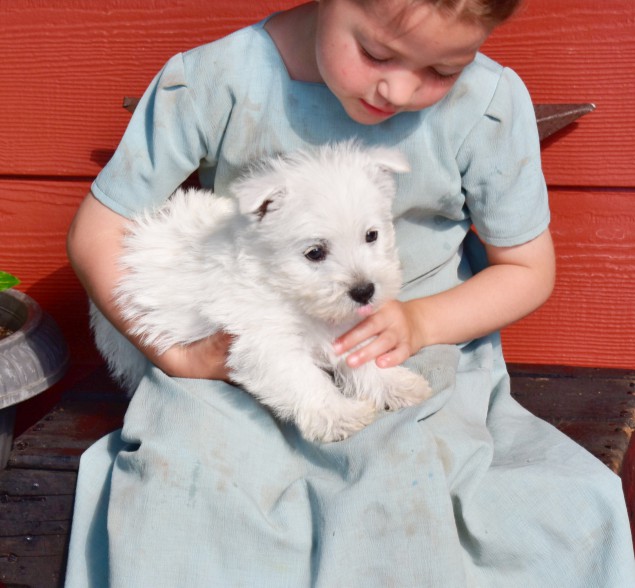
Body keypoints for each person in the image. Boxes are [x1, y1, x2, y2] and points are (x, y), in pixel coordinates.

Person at [65, 0, 635, 586]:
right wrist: (173, 355)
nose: (400, 90)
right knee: (189, 486)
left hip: (416, 337)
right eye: (376, 53)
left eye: (445, 70)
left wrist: (420, 322)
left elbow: (527, 268)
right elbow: (98, 232)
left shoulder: (489, 105)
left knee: (410, 487)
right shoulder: (214, 80)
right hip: (234, 345)